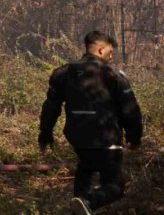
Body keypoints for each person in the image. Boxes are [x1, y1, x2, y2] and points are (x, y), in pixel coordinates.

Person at [39, 30, 143, 215]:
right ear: (101, 50)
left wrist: (45, 134)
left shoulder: (64, 73)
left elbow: (50, 107)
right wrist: (134, 137)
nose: (111, 58)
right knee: (116, 186)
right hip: (107, 141)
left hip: (78, 140)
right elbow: (130, 110)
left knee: (85, 171)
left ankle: (79, 205)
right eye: (111, 53)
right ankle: (89, 202)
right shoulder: (114, 75)